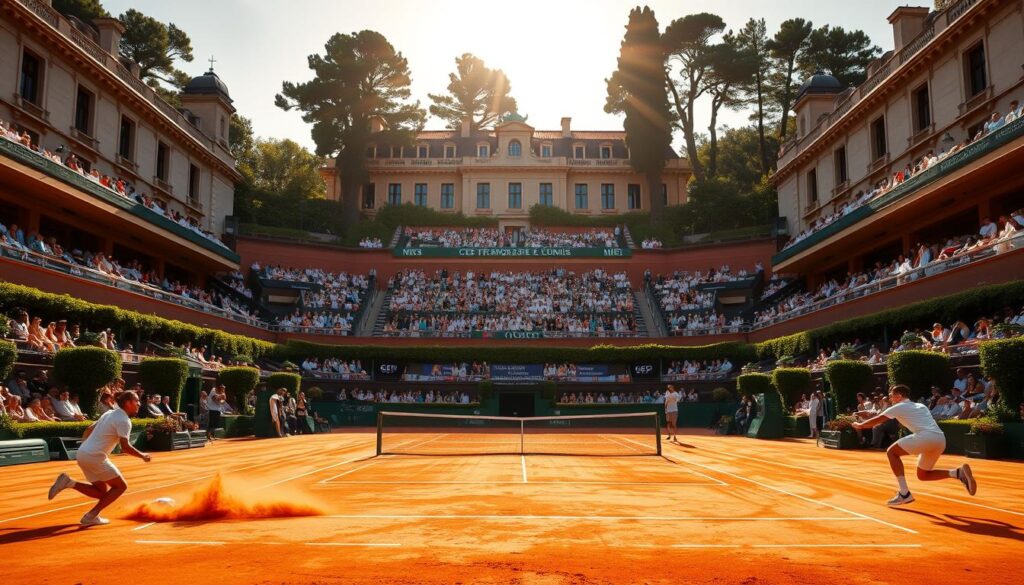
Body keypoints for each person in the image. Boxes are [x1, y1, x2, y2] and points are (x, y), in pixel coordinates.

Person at [852, 384, 977, 506]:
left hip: (925, 437)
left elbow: (878, 420)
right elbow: (880, 415)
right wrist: (867, 415)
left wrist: (860, 425)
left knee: (892, 452)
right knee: (923, 475)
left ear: (899, 396)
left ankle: (904, 493)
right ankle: (958, 473)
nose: (890, 398)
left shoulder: (899, 406)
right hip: (940, 439)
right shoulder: (920, 405)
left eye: (891, 396)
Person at [47, 391, 152, 525]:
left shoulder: (109, 413)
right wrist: (142, 456)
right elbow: (125, 447)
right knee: (120, 487)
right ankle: (91, 516)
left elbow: (89, 428)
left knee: (101, 492)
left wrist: (86, 446)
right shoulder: (124, 420)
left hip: (83, 454)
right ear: (128, 403)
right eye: (136, 401)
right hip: (95, 457)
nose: (139, 404)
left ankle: (69, 482)